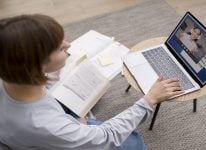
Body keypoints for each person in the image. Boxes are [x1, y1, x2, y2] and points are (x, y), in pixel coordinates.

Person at [0, 14, 183, 150]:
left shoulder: (10, 71)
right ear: (33, 66)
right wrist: (149, 100)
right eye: (58, 47)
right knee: (134, 144)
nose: (68, 44)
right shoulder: (46, 124)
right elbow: (106, 136)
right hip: (40, 133)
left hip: (25, 129)